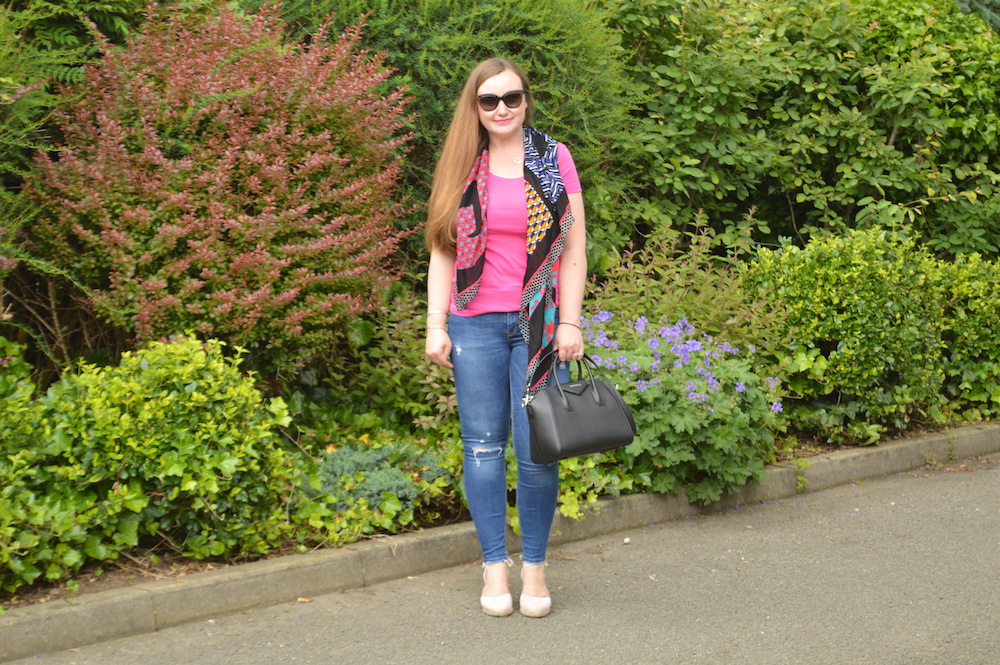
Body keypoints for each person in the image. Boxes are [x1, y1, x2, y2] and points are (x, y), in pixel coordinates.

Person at [424, 58, 587, 618]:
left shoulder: (553, 159)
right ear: (474, 106)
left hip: (539, 323)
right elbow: (442, 251)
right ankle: (495, 565)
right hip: (474, 321)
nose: (501, 110)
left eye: (511, 98)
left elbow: (573, 249)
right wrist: (436, 325)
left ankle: (535, 568)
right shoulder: (461, 165)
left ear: (525, 101)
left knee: (538, 450)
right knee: (484, 446)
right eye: (489, 100)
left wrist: (570, 320)